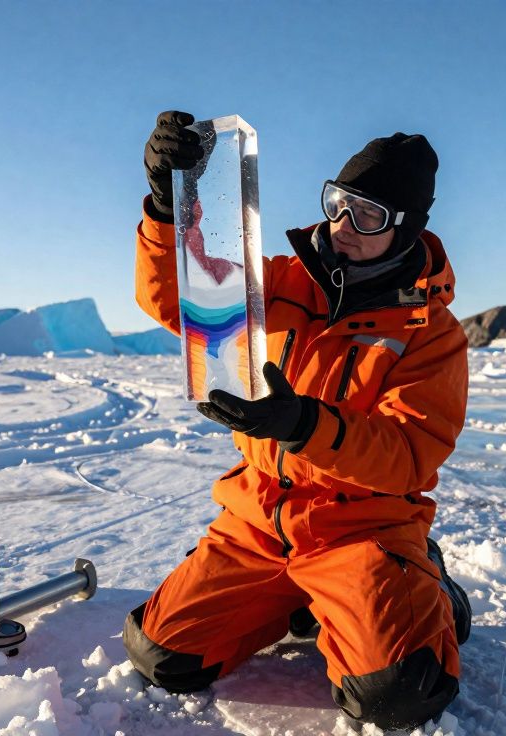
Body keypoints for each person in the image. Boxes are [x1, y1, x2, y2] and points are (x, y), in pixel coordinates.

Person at [123, 110, 472, 731]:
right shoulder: (279, 281)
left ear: (408, 227)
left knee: (396, 693)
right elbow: (179, 299)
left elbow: (409, 453)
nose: (343, 225)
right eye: (339, 202)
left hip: (363, 527)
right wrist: (167, 207)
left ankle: (430, 586)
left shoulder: (431, 334)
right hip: (258, 518)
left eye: (368, 215)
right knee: (163, 654)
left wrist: (302, 425)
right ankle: (302, 602)